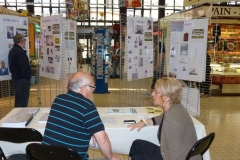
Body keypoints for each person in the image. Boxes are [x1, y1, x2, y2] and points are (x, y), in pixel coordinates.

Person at [42, 72, 120, 160]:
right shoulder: (87, 106)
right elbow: (103, 140)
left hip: (45, 156)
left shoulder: (58, 99)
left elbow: (71, 123)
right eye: (92, 87)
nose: (93, 90)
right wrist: (112, 156)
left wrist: (93, 130)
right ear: (83, 88)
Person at [128, 77, 201, 160]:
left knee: (136, 157)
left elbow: (174, 156)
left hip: (175, 157)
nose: (152, 94)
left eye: (156, 92)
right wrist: (144, 122)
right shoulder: (175, 106)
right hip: (171, 153)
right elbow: (162, 117)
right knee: (136, 145)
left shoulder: (172, 122)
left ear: (166, 97)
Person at [8, 34, 31, 107]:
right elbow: (24, 67)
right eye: (24, 40)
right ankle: (21, 117)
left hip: (16, 79)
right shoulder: (20, 52)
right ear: (22, 41)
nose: (25, 42)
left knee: (19, 100)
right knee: (22, 102)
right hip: (22, 80)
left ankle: (17, 115)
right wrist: (27, 77)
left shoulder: (12, 50)